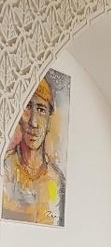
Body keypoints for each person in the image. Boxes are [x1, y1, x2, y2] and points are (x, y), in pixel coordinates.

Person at [2, 76, 65, 226]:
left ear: (49, 120)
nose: (34, 122)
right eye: (28, 107)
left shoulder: (56, 180)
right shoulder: (5, 168)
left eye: (41, 109)